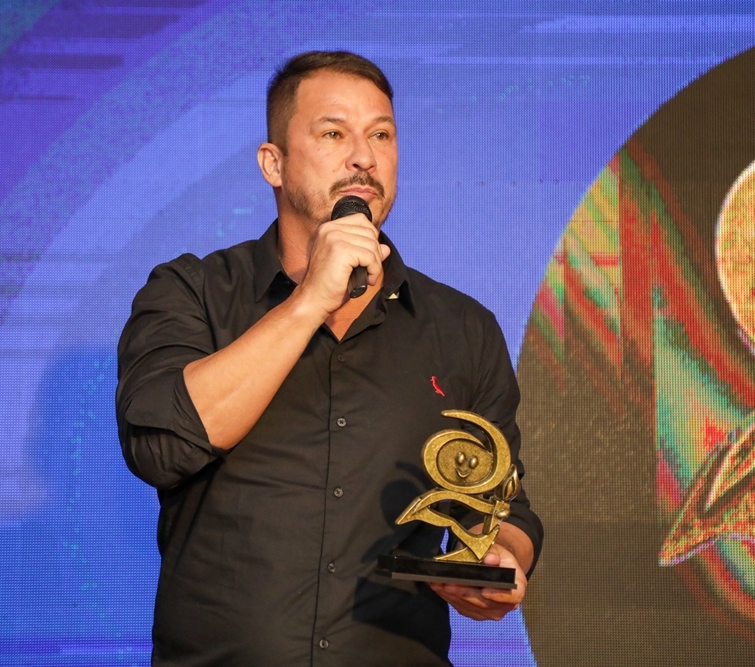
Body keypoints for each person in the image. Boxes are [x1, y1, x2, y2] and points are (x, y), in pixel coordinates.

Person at [116, 50, 543, 666]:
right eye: (333, 134)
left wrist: (500, 561)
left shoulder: (462, 329)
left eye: (381, 135)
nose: (363, 157)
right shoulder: (192, 293)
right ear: (274, 163)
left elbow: (501, 503)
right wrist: (310, 300)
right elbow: (164, 447)